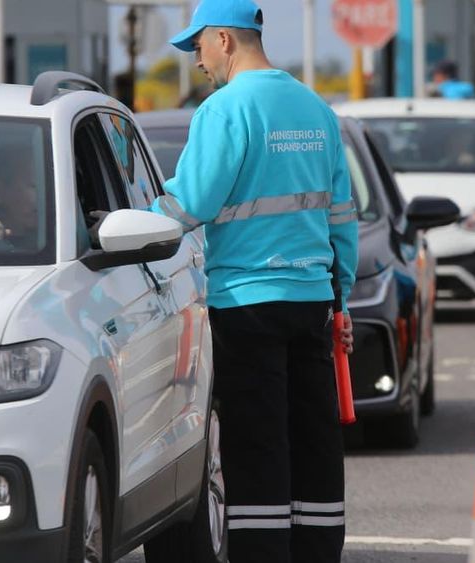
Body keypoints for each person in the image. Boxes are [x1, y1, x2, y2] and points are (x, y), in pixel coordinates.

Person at [144, 1, 360, 561]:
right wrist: (342, 301)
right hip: (311, 301)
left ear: (224, 40)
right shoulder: (317, 110)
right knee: (313, 442)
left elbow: (191, 202)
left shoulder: (223, 111)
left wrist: (129, 220)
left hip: (247, 305)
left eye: (198, 46)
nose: (198, 61)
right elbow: (342, 217)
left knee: (257, 444)